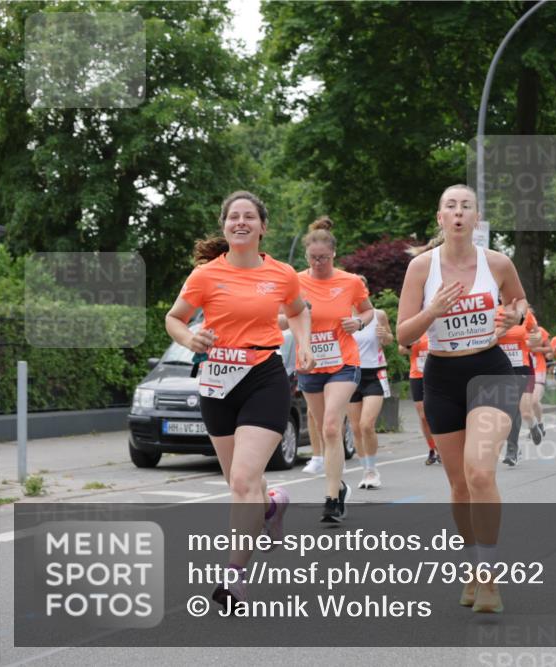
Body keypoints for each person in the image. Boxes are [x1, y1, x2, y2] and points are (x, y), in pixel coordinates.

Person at [166, 191, 313, 608]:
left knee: (244, 480)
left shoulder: (282, 273)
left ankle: (234, 577)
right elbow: (174, 318)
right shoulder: (205, 275)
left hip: (264, 376)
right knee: (240, 481)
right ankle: (271, 507)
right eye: (234, 217)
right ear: (225, 225)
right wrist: (189, 338)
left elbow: (298, 311)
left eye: (250, 216)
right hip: (217, 381)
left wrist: (303, 344)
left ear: (263, 227)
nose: (241, 222)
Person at [397, 184, 527, 614]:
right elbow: (403, 334)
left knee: (480, 473)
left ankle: (489, 578)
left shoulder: (498, 263)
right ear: (440, 217)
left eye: (466, 206)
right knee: (458, 485)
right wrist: (432, 311)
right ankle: (474, 565)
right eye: (450, 206)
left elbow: (520, 303)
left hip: (490, 371)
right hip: (441, 377)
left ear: (476, 218)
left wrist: (514, 316)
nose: (458, 213)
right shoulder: (421, 267)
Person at [296, 217, 376, 522]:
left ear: (333, 254)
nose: (318, 264)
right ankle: (339, 486)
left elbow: (368, 311)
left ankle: (331, 500)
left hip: (343, 362)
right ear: (306, 255)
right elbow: (279, 320)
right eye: (313, 258)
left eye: (324, 258)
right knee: (322, 427)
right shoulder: (295, 282)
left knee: (331, 426)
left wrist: (358, 322)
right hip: (309, 364)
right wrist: (297, 313)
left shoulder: (350, 281)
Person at [347, 275, 394, 490]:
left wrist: (385, 335)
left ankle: (373, 470)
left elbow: (389, 339)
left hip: (373, 373)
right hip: (350, 374)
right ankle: (365, 471)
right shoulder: (344, 316)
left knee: (367, 424)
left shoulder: (378, 315)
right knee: (356, 428)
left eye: (362, 288)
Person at [498, 305, 540, 466]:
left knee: (524, 411)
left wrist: (534, 339)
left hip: (522, 366)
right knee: (509, 409)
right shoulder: (493, 311)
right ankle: (513, 449)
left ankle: (532, 426)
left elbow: (537, 334)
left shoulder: (524, 313)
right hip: (500, 367)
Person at [399, 334, 441, 465]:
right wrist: (409, 344)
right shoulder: (416, 329)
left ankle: (442, 448)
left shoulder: (437, 328)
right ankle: (433, 448)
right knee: (423, 417)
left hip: (436, 375)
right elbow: (401, 350)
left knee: (439, 413)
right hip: (417, 375)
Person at [528, 317, 551, 436]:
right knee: (527, 402)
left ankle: (539, 424)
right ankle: (535, 426)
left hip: (539, 369)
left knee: (535, 400)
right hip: (525, 369)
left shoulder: (540, 331)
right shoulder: (517, 331)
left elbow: (549, 348)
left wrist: (537, 349)